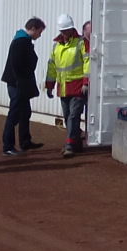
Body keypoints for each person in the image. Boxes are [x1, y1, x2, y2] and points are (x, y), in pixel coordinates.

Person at [1, 17, 47, 156]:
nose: (40, 35)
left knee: (25, 112)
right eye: (39, 31)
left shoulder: (22, 40)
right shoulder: (21, 42)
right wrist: (21, 83)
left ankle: (25, 141)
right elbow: (17, 64)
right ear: (33, 28)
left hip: (19, 83)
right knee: (14, 114)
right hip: (18, 84)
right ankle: (8, 146)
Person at [45, 14, 89, 158]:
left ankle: (70, 144)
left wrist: (86, 82)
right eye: (63, 30)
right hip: (63, 87)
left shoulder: (81, 43)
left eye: (67, 30)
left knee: (73, 116)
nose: (65, 33)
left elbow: (87, 63)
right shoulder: (56, 46)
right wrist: (49, 85)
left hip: (77, 87)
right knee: (67, 117)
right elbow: (51, 66)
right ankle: (76, 143)